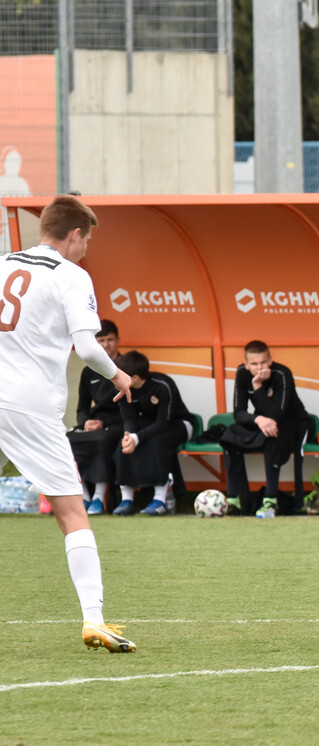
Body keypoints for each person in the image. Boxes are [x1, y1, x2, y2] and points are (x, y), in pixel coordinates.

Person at [0, 194, 137, 652]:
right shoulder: (72, 275)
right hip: (29, 406)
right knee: (72, 512)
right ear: (75, 234)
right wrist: (118, 375)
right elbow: (89, 346)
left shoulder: (3, 264)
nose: (87, 249)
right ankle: (94, 620)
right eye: (88, 239)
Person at [219, 340, 311, 518]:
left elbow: (276, 414)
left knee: (272, 434)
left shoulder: (282, 374)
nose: (259, 367)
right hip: (263, 421)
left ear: (270, 361)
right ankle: (233, 500)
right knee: (230, 434)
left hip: (293, 423)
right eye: (254, 364)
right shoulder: (241, 373)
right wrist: (258, 419)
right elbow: (238, 413)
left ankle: (270, 501)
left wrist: (258, 386)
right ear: (246, 364)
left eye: (263, 362)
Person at [111, 350, 195, 516]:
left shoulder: (163, 385)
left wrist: (138, 437)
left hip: (179, 424)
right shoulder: (121, 388)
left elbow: (164, 422)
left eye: (120, 374)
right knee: (123, 444)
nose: (116, 378)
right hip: (148, 426)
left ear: (134, 378)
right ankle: (126, 500)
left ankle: (159, 501)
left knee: (157, 442)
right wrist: (130, 435)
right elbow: (129, 419)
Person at [67, 318, 123, 515]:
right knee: (66, 441)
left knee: (101, 440)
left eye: (110, 340)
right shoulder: (88, 371)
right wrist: (85, 422)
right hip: (93, 424)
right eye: (101, 341)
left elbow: (128, 409)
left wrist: (104, 423)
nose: (106, 345)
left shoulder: (125, 367)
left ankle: (99, 496)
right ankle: (83, 497)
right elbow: (82, 408)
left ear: (118, 341)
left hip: (117, 423)